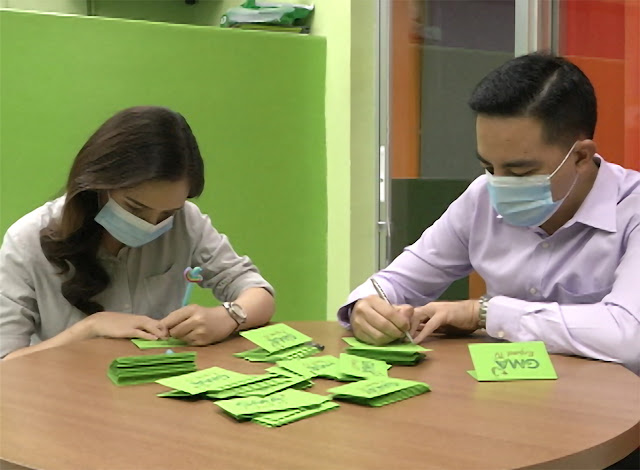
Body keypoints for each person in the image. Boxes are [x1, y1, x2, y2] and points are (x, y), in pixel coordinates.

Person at [338, 53, 640, 375]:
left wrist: (483, 314)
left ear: (580, 156)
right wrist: (367, 308)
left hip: (611, 401)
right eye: (488, 167)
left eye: (520, 172)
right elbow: (397, 281)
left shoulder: (631, 209)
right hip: (503, 394)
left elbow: (627, 336)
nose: (500, 184)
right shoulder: (482, 196)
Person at [0, 106, 275, 360]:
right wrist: (89, 328)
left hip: (152, 385)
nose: (151, 224)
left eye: (167, 213)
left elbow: (257, 291)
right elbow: (6, 363)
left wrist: (228, 316)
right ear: (99, 185)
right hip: (57, 391)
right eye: (135, 208)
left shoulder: (186, 221)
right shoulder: (27, 241)